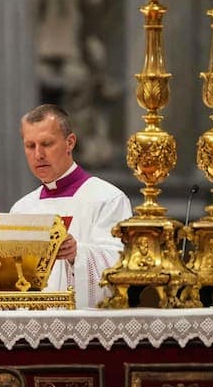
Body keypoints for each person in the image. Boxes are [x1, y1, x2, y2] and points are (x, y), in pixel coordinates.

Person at [9, 104, 132, 308]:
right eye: (30, 146)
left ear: (70, 142)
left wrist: (78, 254)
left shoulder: (108, 199)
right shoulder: (21, 209)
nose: (38, 154)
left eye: (46, 144)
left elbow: (122, 266)